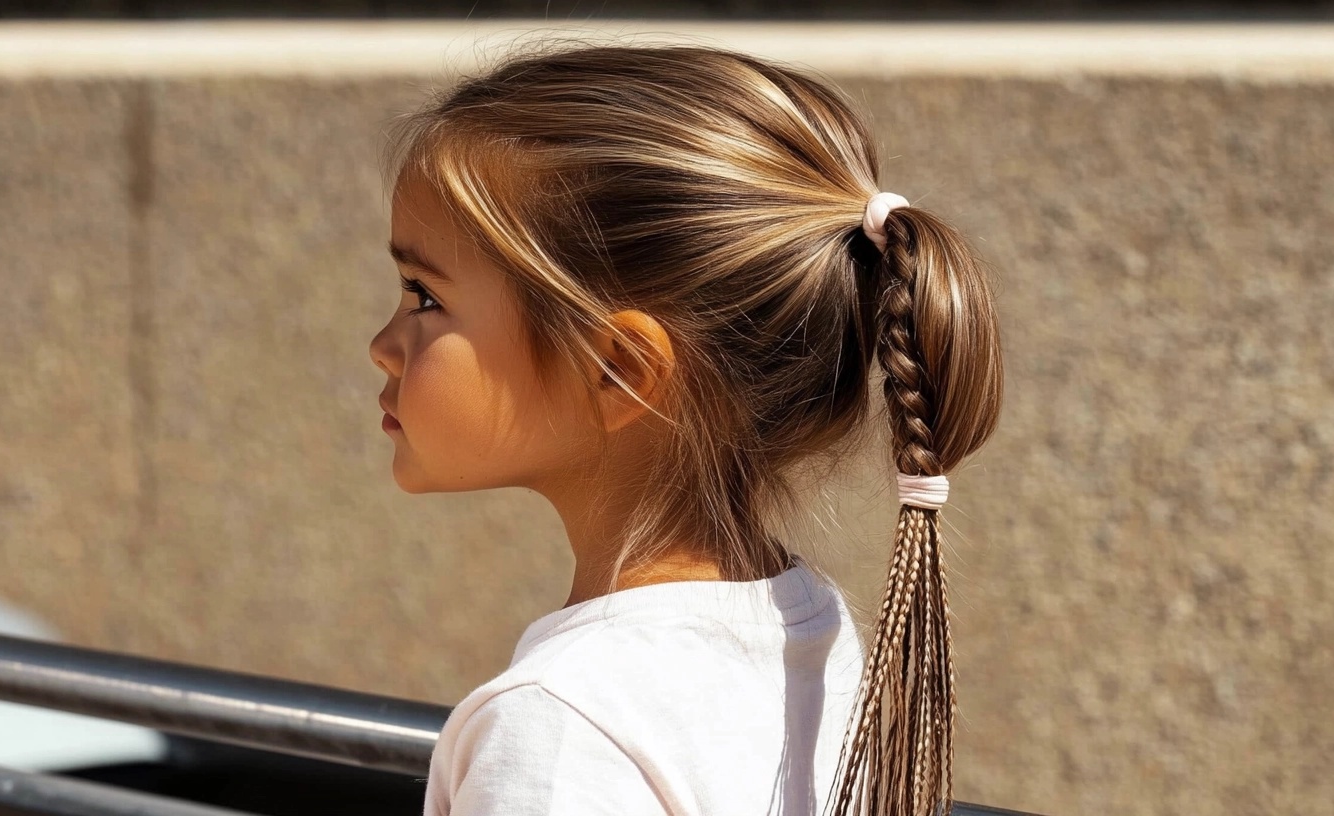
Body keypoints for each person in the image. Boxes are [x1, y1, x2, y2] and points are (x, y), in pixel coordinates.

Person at [368, 42, 1003, 816]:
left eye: (423, 296)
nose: (382, 344)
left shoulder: (565, 726)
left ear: (620, 371)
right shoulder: (807, 626)